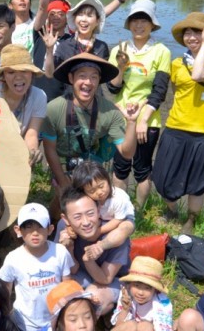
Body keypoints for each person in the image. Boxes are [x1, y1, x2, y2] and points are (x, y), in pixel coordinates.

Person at [151, 12, 204, 233]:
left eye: (198, 32)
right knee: (163, 177)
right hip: (175, 127)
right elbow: (177, 92)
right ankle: (171, 209)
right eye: (188, 33)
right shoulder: (176, 63)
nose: (192, 37)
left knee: (197, 182)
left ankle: (191, 219)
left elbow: (198, 75)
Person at [40, 53, 139, 214]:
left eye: (94, 77)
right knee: (63, 202)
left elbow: (127, 153)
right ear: (71, 78)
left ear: (99, 81)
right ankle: (53, 223)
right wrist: (62, 182)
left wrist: (132, 123)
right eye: (82, 76)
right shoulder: (54, 108)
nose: (88, 82)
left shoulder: (110, 111)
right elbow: (49, 149)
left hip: (92, 164)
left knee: (90, 208)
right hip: (64, 164)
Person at [108, 0, 172, 208]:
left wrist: (143, 119)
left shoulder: (162, 51)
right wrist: (120, 65)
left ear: (152, 24)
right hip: (121, 117)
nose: (139, 25)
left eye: (144, 20)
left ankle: (139, 212)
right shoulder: (120, 49)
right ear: (129, 23)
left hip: (148, 120)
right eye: (135, 20)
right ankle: (119, 208)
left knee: (143, 167)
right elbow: (113, 88)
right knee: (120, 166)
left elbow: (159, 91)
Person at [0, 202, 74, 331]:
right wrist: (7, 318)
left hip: (55, 321)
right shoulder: (14, 258)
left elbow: (67, 286)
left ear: (51, 229)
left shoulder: (60, 252)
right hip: (26, 324)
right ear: (18, 231)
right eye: (28, 227)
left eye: (40, 227)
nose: (35, 233)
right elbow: (4, 291)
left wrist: (66, 315)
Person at [58, 187, 130, 314]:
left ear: (98, 210)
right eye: (77, 217)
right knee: (54, 284)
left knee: (93, 298)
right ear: (66, 219)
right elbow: (71, 269)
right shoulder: (63, 228)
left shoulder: (116, 235)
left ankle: (88, 325)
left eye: (90, 213)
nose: (86, 222)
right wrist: (68, 249)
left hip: (113, 280)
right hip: (81, 274)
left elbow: (105, 279)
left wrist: (89, 261)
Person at [0, 44, 47, 164]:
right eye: (11, 72)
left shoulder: (39, 96)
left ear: (31, 73)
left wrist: (32, 151)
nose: (18, 77)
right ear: (3, 76)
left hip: (18, 153)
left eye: (24, 71)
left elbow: (31, 133)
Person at [102, 256, 174, 331]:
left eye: (147, 288)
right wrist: (125, 310)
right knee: (132, 324)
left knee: (144, 325)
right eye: (137, 285)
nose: (141, 292)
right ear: (130, 284)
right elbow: (119, 328)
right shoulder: (127, 293)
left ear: (155, 289)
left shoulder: (161, 304)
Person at [69, 161, 135, 249]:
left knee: (125, 228)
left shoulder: (119, 198)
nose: (99, 192)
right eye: (92, 191)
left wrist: (99, 231)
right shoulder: (87, 199)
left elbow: (117, 220)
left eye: (101, 186)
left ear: (108, 180)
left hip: (122, 218)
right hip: (100, 218)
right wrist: (71, 227)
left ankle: (102, 246)